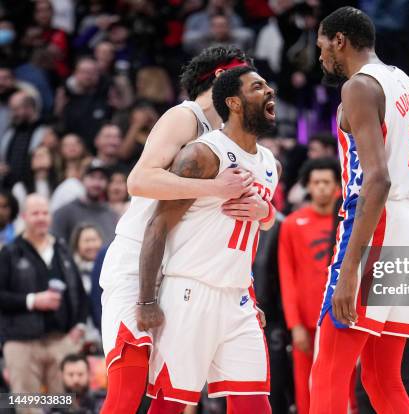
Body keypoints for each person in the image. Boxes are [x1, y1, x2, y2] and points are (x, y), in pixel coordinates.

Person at [309, 7, 409, 413]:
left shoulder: (358, 86)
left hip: (377, 223)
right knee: (382, 378)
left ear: (340, 40)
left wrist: (349, 270)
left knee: (329, 372)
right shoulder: (407, 84)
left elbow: (378, 179)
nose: (320, 57)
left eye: (322, 46)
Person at [98, 47, 257, 414]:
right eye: (247, 78)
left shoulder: (228, 138)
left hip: (180, 270)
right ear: (222, 78)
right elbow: (138, 181)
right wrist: (215, 188)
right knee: (127, 391)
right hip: (137, 259)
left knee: (169, 396)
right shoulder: (185, 116)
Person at [138, 66, 278, 414]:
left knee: (256, 404)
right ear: (233, 102)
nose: (269, 91)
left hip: (238, 299)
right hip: (190, 293)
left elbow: (249, 233)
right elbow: (157, 225)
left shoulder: (270, 163)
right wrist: (146, 301)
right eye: (257, 87)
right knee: (170, 405)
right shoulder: (202, 154)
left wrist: (267, 214)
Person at [0, 195, 88, 412]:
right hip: (21, 342)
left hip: (60, 340)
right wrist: (32, 301)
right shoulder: (10, 251)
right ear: (24, 217)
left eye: (45, 213)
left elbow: (78, 290)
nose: (41, 218)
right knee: (28, 406)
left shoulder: (62, 249)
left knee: (64, 405)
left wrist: (80, 324)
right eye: (35, 213)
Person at [278, 157, 340, 414]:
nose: (322, 188)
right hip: (306, 323)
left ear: (337, 185)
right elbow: (287, 276)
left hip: (340, 319)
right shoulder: (292, 224)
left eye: (327, 182)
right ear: (307, 186)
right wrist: (295, 325)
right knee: (306, 391)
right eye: (316, 182)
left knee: (342, 388)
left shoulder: (348, 223)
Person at [52, 163, 118, 244]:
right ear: (82, 179)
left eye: (102, 178)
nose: (96, 183)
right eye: (92, 177)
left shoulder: (111, 214)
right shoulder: (64, 212)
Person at [0, 90, 49, 189]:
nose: (12, 114)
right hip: (10, 187)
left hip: (36, 186)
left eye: (15, 109)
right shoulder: (10, 132)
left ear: (29, 108)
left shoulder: (47, 131)